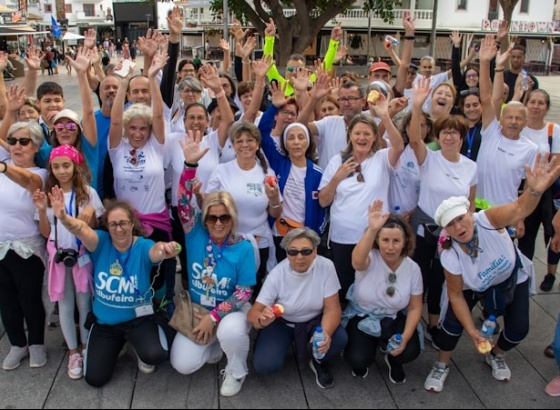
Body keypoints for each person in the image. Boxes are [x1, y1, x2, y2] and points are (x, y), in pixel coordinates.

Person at [423, 152, 560, 393]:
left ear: (470, 214)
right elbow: (455, 295)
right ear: (446, 229)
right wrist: (473, 332)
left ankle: (496, 354)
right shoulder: (450, 253)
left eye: (461, 218)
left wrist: (534, 191)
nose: (459, 226)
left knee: (519, 329)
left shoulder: (486, 219)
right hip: (473, 286)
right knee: (450, 328)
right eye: (451, 224)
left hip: (509, 278)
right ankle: (441, 364)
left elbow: (519, 208)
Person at [49, 190, 180, 386]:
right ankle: (118, 344)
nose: (118, 229)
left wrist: (168, 248)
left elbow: (158, 250)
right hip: (105, 325)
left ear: (132, 223)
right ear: (107, 226)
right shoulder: (100, 242)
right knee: (95, 378)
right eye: (113, 224)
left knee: (156, 355)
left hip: (137, 321)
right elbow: (80, 229)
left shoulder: (143, 245)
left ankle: (136, 344)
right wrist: (63, 217)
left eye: (123, 223)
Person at [170, 130, 256, 397]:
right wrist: (190, 166)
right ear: (204, 218)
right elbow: (183, 203)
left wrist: (214, 317)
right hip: (197, 310)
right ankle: (215, 345)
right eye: (212, 217)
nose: (218, 223)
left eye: (224, 218)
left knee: (231, 330)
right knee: (182, 365)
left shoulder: (243, 246)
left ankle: (236, 370)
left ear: (232, 218)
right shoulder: (195, 232)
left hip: (229, 312)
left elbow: (244, 292)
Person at [409, 77, 478, 338]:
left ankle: (434, 323)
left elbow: (470, 204)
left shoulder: (471, 167)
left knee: (441, 277)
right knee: (419, 274)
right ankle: (412, 319)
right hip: (424, 226)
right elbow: (415, 139)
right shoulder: (429, 158)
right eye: (445, 132)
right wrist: (417, 106)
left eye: (455, 133)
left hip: (453, 230)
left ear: (462, 138)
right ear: (438, 136)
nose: (449, 136)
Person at [32, 145, 104, 380]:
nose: (62, 171)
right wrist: (43, 211)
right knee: (65, 304)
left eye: (66, 165)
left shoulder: (88, 193)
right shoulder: (48, 193)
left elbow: (94, 229)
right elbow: (45, 233)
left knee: (84, 303)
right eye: (56, 166)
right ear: (50, 168)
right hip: (59, 256)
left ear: (75, 167)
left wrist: (91, 213)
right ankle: (73, 352)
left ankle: (85, 345)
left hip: (81, 253)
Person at [247, 227, 347, 389]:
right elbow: (253, 313)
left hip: (315, 321)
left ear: (315, 251)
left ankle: (319, 360)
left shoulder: (326, 266)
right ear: (287, 253)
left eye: (306, 251)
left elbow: (332, 308)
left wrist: (326, 334)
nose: (299, 257)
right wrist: (262, 320)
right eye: (293, 252)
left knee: (339, 338)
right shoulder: (277, 274)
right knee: (264, 365)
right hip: (282, 323)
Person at [343, 200, 422, 384]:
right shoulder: (370, 258)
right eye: (385, 240)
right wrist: (372, 229)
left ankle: (393, 359)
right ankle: (368, 347)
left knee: (409, 350)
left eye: (396, 241)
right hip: (364, 316)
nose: (390, 247)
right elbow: (356, 262)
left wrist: (405, 337)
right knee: (358, 359)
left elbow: (415, 307)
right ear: (378, 240)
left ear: (405, 242)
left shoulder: (413, 268)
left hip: (393, 317)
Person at [206, 122, 281, 293]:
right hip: (228, 241)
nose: (245, 144)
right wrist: (196, 195)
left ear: (257, 144)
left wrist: (274, 198)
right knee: (229, 288)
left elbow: (275, 212)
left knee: (255, 290)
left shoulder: (267, 173)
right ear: (233, 145)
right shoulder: (221, 170)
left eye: (250, 140)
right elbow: (208, 204)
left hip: (259, 240)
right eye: (239, 141)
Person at [258, 82, 326, 262]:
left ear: (308, 142)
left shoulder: (318, 173)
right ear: (285, 143)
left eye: (301, 137)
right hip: (278, 234)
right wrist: (274, 106)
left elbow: (322, 211)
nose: (296, 142)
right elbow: (262, 132)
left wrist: (313, 235)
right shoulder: (278, 161)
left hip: (305, 237)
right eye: (291, 138)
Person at [0, 121, 47, 371]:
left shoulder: (40, 174)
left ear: (36, 146)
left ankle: (37, 343)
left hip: (26, 249)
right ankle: (18, 344)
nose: (17, 146)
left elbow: (29, 182)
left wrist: (3, 166)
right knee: (5, 300)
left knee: (29, 299)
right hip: (0, 247)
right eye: (13, 140)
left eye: (24, 141)